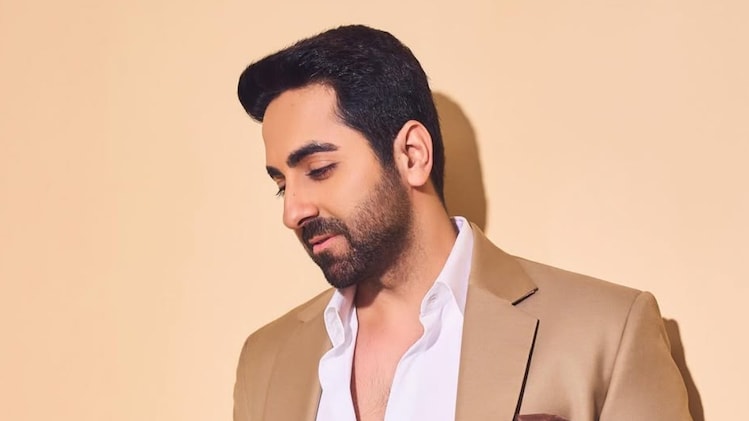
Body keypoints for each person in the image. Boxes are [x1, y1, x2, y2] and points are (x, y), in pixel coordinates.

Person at [233, 25, 692, 421]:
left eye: (318, 170)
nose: (293, 213)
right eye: (282, 185)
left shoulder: (606, 334)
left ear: (412, 155)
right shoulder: (265, 361)